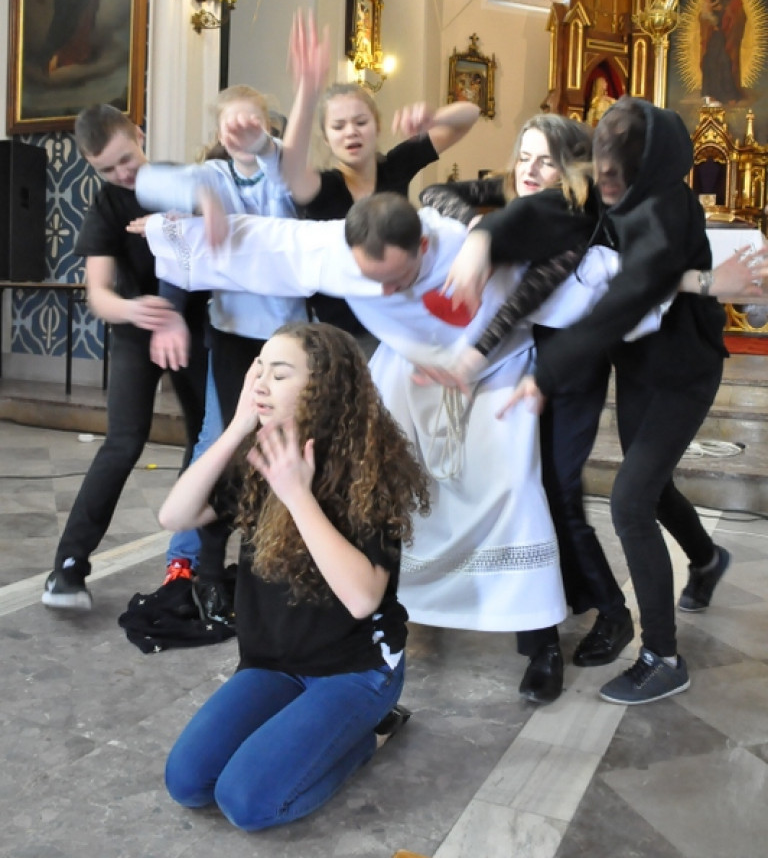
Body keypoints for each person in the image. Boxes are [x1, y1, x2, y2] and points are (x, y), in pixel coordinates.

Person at [140, 194, 635, 700]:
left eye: (396, 278)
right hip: (410, 372)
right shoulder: (342, 250)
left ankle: (539, 642)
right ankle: (373, 625)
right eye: (372, 279)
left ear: (422, 244)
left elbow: (588, 272)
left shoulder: (470, 247)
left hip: (493, 375)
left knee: (513, 491)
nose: (384, 290)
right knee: (373, 483)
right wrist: (172, 231)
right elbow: (268, 243)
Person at [445, 96, 737, 705]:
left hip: (684, 371)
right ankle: (706, 559)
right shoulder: (602, 196)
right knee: (649, 488)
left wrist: (547, 372)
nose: (605, 176)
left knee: (630, 501)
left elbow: (627, 297)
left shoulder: (666, 207)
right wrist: (485, 238)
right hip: (637, 369)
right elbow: (542, 211)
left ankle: (662, 656)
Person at [161, 322, 429, 831]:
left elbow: (361, 599)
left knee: (249, 804)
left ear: (321, 389)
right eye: (258, 368)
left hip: (355, 670)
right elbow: (175, 516)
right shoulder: (258, 454)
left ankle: (372, 733)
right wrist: (237, 427)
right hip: (273, 663)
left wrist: (297, 495)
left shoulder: (367, 471)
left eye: (279, 373)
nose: (260, 381)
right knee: (188, 782)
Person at [420, 114, 634, 703]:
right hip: (516, 369)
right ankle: (554, 610)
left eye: (546, 160)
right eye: (524, 157)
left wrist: (472, 355)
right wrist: (479, 223)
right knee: (528, 494)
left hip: (567, 370)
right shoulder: (515, 197)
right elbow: (434, 192)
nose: (533, 171)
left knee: (555, 492)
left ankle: (604, 615)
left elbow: (522, 301)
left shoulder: (579, 218)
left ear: (571, 167)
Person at [133, 83, 308, 620]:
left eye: (252, 122)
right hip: (233, 335)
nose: (241, 131)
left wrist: (273, 143)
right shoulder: (212, 177)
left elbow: (297, 185)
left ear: (268, 127)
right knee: (228, 449)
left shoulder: (281, 175)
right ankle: (209, 570)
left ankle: (267, 568)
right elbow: (149, 180)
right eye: (231, 124)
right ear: (218, 133)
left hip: (290, 336)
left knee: (284, 450)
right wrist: (193, 206)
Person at [41, 105, 208, 610]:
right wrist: (138, 309)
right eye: (106, 169)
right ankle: (68, 568)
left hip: (199, 324)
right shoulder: (107, 205)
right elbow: (99, 295)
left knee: (206, 439)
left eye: (125, 160)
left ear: (140, 133)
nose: (121, 175)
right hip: (140, 326)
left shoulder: (183, 180)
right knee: (123, 441)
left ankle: (190, 560)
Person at [280, 10, 480, 354]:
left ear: (377, 126)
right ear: (326, 139)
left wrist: (436, 116)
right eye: (339, 126)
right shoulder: (324, 187)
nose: (351, 132)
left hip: (398, 323)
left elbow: (470, 116)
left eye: (360, 121)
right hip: (339, 335)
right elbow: (291, 168)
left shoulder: (395, 165)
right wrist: (307, 93)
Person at [700, 0, 746, 103]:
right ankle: (709, 93)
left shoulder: (735, 1)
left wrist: (729, 13)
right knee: (709, 61)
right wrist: (708, 22)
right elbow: (703, 17)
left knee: (725, 61)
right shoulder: (713, 0)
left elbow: (740, 19)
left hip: (728, 38)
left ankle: (730, 95)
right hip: (714, 38)